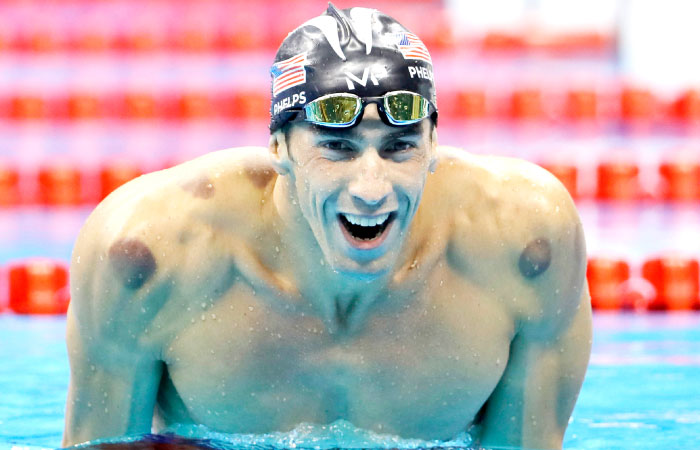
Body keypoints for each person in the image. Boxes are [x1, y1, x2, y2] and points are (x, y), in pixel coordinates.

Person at [63, 4, 592, 450]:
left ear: (433, 143)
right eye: (337, 148)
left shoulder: (523, 247)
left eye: (399, 147)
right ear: (279, 147)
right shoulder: (152, 255)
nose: (370, 187)